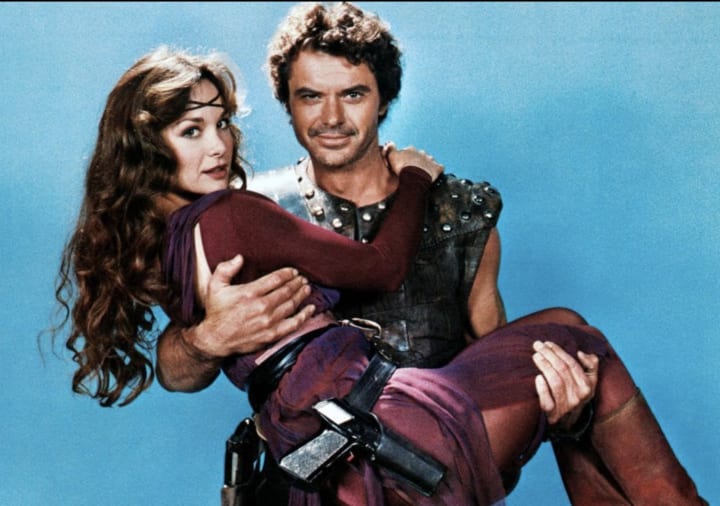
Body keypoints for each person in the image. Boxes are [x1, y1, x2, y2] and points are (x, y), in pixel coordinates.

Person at [153, 2, 705, 505]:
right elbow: (176, 369)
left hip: (432, 462)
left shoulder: (459, 215)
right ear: (287, 104)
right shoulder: (252, 208)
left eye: (353, 94)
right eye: (310, 96)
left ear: (384, 100)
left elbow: (491, 364)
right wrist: (206, 340)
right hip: (317, 478)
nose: (331, 118)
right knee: (575, 336)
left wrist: (568, 409)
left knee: (570, 347)